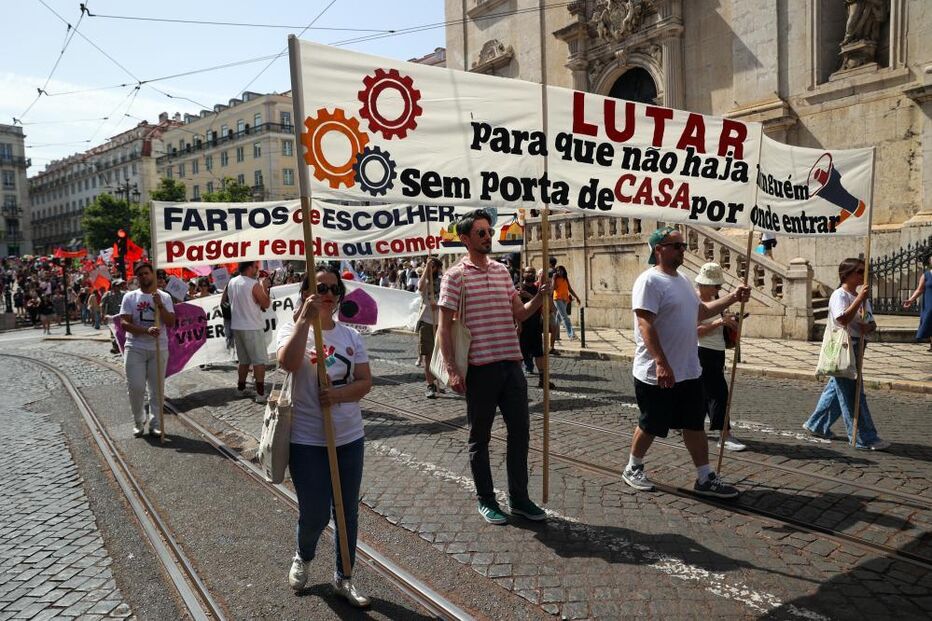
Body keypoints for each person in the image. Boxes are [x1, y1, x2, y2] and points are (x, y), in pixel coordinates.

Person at [438, 209, 551, 524]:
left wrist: (540, 297)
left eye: (489, 231)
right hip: (480, 369)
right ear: (465, 239)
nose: (489, 237)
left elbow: (521, 314)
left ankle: (519, 498)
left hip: (511, 366)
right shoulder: (455, 276)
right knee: (480, 437)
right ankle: (486, 500)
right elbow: (444, 328)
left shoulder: (502, 271)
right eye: (481, 233)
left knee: (521, 433)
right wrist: (451, 369)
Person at [622, 227, 750, 498]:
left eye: (683, 245)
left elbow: (701, 311)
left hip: (689, 369)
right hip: (657, 370)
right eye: (677, 246)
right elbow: (645, 323)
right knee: (651, 423)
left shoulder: (682, 280)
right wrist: (660, 362)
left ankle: (704, 477)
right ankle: (633, 467)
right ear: (659, 250)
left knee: (693, 423)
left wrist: (733, 297)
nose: (683, 250)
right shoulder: (649, 281)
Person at [278, 264, 372, 607]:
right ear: (307, 293)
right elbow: (287, 363)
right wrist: (304, 320)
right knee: (315, 512)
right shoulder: (291, 327)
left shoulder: (351, 337)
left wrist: (338, 396)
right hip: (306, 440)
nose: (328, 293)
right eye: (321, 287)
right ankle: (303, 555)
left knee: (347, 512)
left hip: (349, 436)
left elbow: (364, 382)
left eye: (334, 288)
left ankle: (343, 578)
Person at [803, 258, 890, 450]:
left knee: (837, 388)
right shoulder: (839, 295)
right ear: (847, 274)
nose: (863, 275)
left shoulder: (861, 296)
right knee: (853, 394)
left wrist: (870, 326)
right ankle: (864, 437)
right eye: (859, 272)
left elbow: (871, 321)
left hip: (859, 345)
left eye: (864, 271)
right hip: (844, 346)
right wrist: (858, 299)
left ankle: (817, 424)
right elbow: (842, 319)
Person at [119, 262, 175, 438]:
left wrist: (160, 305)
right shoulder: (130, 297)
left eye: (146, 273)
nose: (144, 277)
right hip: (135, 346)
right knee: (135, 387)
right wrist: (145, 330)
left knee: (157, 388)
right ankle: (138, 420)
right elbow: (124, 323)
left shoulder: (164, 297)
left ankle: (156, 423)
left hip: (159, 347)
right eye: (140, 274)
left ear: (153, 274)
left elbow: (171, 321)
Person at [694, 263, 746, 452]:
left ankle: (690, 426)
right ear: (704, 284)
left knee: (703, 394)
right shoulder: (695, 300)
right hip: (702, 351)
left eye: (719, 286)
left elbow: (720, 323)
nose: (718, 289)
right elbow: (696, 330)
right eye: (715, 286)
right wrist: (719, 322)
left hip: (717, 351)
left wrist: (731, 322)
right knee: (719, 393)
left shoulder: (717, 299)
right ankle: (725, 435)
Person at [226, 261, 272, 403]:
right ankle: (260, 394)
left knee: (244, 360)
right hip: (252, 326)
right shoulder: (253, 284)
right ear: (249, 267)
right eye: (255, 267)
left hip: (238, 326)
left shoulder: (232, 282)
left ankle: (240, 389)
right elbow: (266, 303)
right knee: (259, 361)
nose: (257, 270)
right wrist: (264, 287)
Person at [518, 265, 555, 389]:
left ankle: (543, 379)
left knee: (539, 353)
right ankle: (514, 381)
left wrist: (545, 294)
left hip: (535, 326)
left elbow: (548, 306)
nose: (530, 274)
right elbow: (516, 309)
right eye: (528, 272)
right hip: (522, 326)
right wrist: (517, 325)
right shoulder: (518, 288)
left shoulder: (537, 288)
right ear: (523, 273)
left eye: (532, 272)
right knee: (519, 355)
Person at [416, 258, 443, 397]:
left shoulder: (442, 281)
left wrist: (437, 305)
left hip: (440, 322)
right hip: (427, 322)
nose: (431, 269)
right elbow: (420, 287)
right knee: (428, 356)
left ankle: (437, 380)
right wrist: (426, 267)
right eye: (429, 266)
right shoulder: (425, 281)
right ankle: (430, 385)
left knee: (439, 355)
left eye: (433, 266)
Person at [903, 254, 932, 350]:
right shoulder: (926, 275)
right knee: (929, 320)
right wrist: (911, 300)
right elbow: (919, 289)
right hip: (929, 303)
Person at [552, 265, 581, 341]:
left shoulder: (565, 278)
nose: (559, 272)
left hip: (565, 299)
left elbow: (570, 289)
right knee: (565, 317)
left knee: (558, 318)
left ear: (564, 271)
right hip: (557, 299)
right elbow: (553, 288)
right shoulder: (555, 278)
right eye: (558, 270)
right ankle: (571, 335)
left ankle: (555, 335)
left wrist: (577, 297)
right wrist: (553, 279)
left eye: (561, 270)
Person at [102, 279, 126, 354]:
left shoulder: (123, 294)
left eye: (120, 286)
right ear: (113, 287)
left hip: (121, 316)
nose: (119, 287)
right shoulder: (108, 294)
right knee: (114, 332)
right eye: (117, 286)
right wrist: (103, 315)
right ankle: (115, 347)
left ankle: (121, 345)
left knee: (122, 332)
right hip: (111, 317)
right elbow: (102, 305)